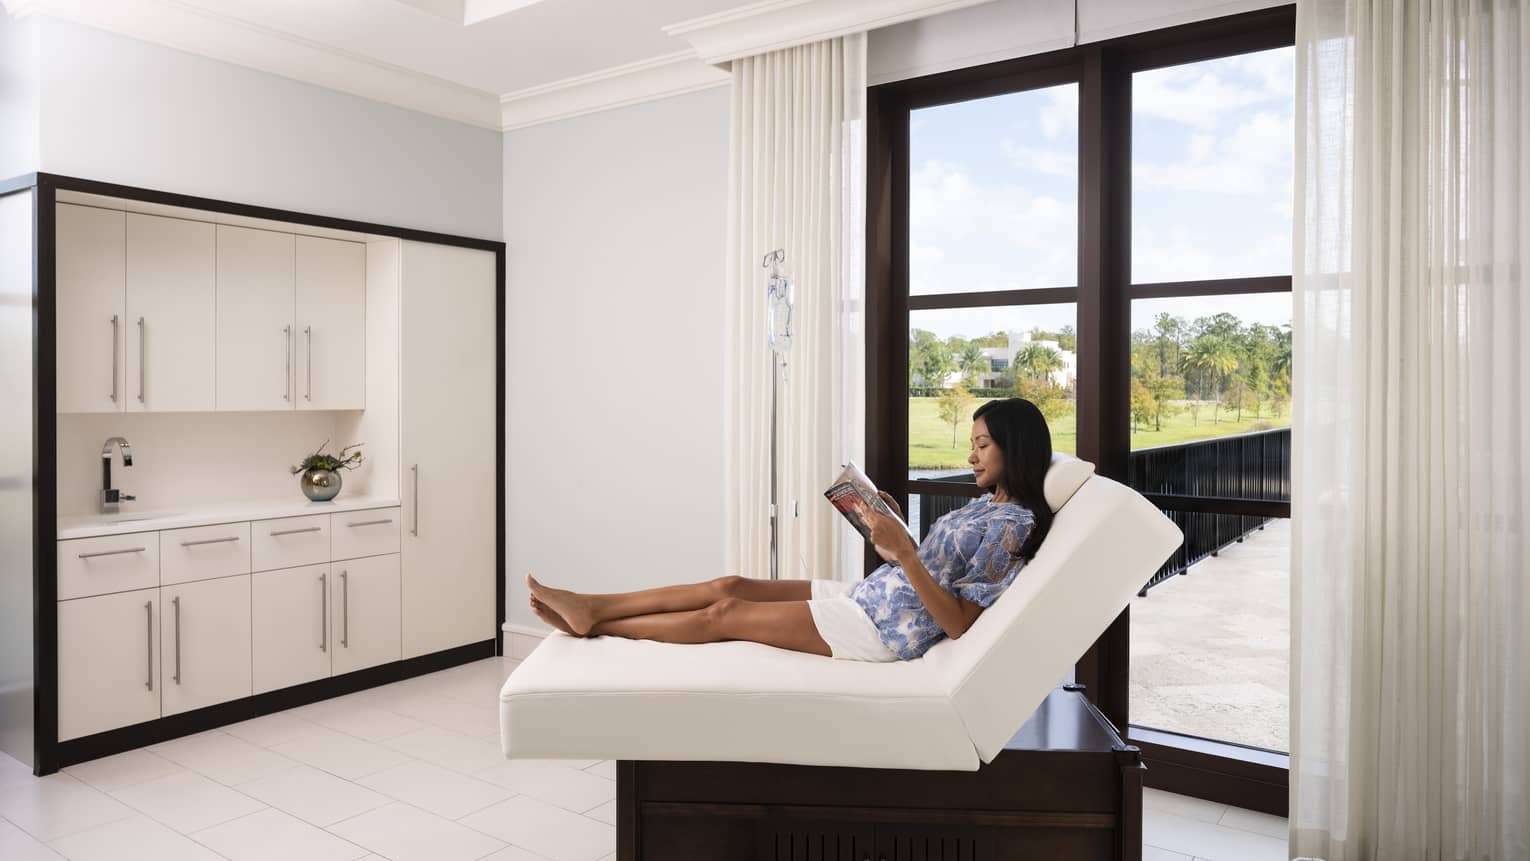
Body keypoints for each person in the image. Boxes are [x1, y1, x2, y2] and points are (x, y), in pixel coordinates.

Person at [527, 397, 1055, 661]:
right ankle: (593, 603)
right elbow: (936, 573)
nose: (971, 455)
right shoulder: (988, 505)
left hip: (884, 629)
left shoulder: (1016, 525)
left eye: (982, 445)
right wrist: (895, 533)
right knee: (728, 584)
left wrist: (908, 558)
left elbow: (960, 623)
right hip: (874, 595)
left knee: (724, 614)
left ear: (1016, 447)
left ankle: (595, 624)